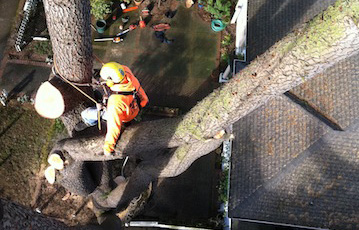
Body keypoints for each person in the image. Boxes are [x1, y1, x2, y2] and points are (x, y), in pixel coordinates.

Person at [77, 62, 149, 156]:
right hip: (134, 106)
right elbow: (141, 94)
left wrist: (108, 148)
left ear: (111, 81)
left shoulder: (115, 102)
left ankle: (89, 123)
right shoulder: (126, 71)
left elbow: (113, 127)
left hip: (125, 115)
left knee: (86, 114)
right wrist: (143, 102)